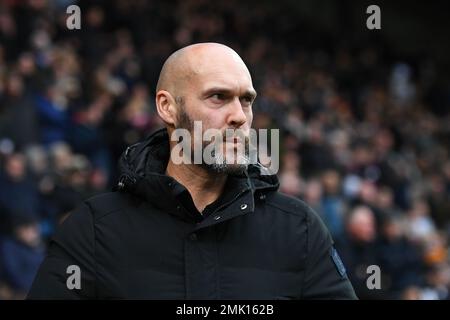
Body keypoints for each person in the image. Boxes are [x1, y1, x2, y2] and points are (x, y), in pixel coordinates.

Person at [27, 43, 356, 299]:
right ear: (167, 107)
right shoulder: (95, 230)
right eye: (218, 97)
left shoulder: (299, 229)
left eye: (246, 100)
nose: (239, 116)